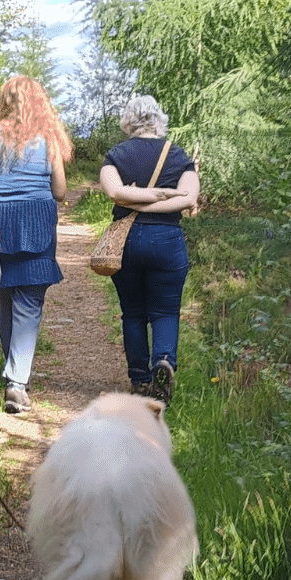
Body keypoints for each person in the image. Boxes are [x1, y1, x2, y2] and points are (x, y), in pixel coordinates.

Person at [0, 76, 72, 414]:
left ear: (3, 101)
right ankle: (16, 383)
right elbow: (59, 191)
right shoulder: (48, 140)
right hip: (36, 225)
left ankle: (15, 376)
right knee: (29, 305)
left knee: (5, 303)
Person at [98, 95, 199, 405]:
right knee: (166, 310)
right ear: (159, 120)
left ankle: (140, 381)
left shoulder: (116, 154)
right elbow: (188, 198)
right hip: (167, 239)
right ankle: (164, 361)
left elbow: (115, 192)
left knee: (134, 313)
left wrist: (137, 199)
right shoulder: (179, 156)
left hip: (126, 242)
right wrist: (163, 196)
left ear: (129, 121)